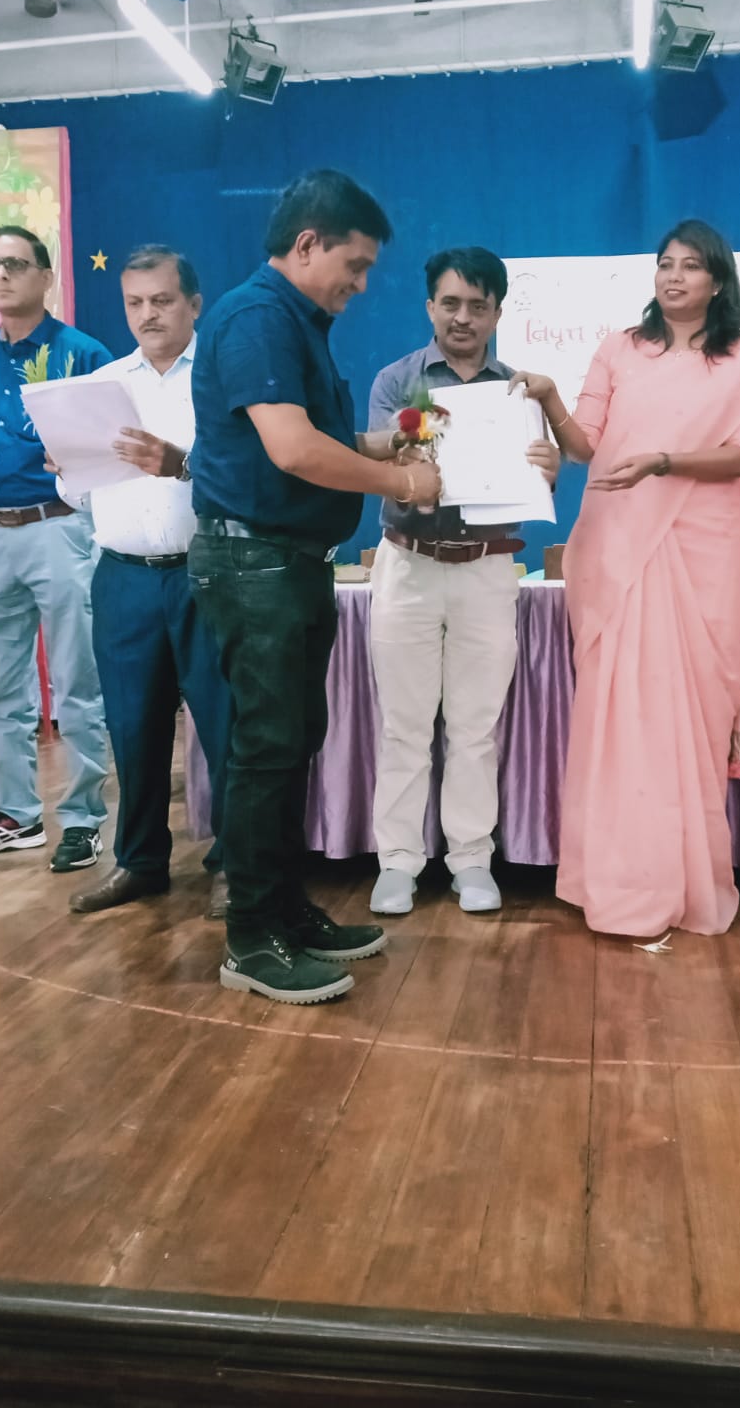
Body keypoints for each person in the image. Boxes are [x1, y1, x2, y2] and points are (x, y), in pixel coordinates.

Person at [188, 168, 443, 1005]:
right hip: (255, 562)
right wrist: (403, 483)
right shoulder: (259, 319)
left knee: (292, 741)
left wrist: (387, 444)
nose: (361, 285)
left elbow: (319, 437)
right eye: (355, 265)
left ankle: (285, 910)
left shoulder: (293, 321)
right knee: (267, 747)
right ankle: (251, 938)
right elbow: (293, 451)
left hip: (287, 562)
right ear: (307, 245)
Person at [511, 220, 740, 937]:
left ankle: (682, 880)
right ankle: (614, 877)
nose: (674, 276)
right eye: (665, 264)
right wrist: (549, 398)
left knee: (688, 718)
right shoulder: (620, 349)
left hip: (705, 554)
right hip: (617, 544)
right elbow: (585, 446)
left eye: (690, 265)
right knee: (620, 717)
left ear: (718, 280)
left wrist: (665, 463)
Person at [365, 247, 559, 916]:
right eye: (450, 303)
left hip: (487, 567)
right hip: (408, 564)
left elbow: (536, 477)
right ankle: (397, 862)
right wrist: (409, 455)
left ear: (498, 313)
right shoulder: (397, 381)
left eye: (479, 305)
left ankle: (471, 859)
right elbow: (383, 466)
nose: (463, 317)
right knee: (405, 726)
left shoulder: (519, 392)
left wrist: (543, 471)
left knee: (475, 727)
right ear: (430, 307)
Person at [56, 247, 234, 916]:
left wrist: (181, 463)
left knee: (225, 726)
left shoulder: (221, 378)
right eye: (135, 302)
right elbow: (78, 496)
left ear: (194, 304)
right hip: (123, 577)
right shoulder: (102, 386)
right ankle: (139, 862)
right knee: (132, 728)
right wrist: (66, 468)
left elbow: (242, 473)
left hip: (207, 572)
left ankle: (234, 865)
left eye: (162, 300)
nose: (148, 314)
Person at [0, 226, 112, 869]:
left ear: (46, 276)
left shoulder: (83, 354)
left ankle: (83, 819)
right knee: (1, 686)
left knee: (77, 683)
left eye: (16, 264)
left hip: (59, 526)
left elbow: (108, 449)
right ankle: (15, 814)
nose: (2, 275)